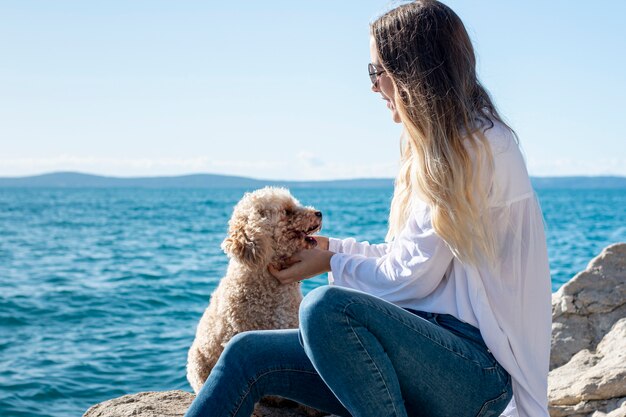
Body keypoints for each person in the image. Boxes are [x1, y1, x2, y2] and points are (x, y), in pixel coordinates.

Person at [184, 1, 552, 416]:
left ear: (414, 72)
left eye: (378, 72)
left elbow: (408, 281)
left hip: (482, 378)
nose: (374, 87)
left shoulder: (475, 149)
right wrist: (332, 251)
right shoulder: (447, 147)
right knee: (245, 353)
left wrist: (329, 263)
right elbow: (409, 261)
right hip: (431, 356)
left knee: (325, 307)